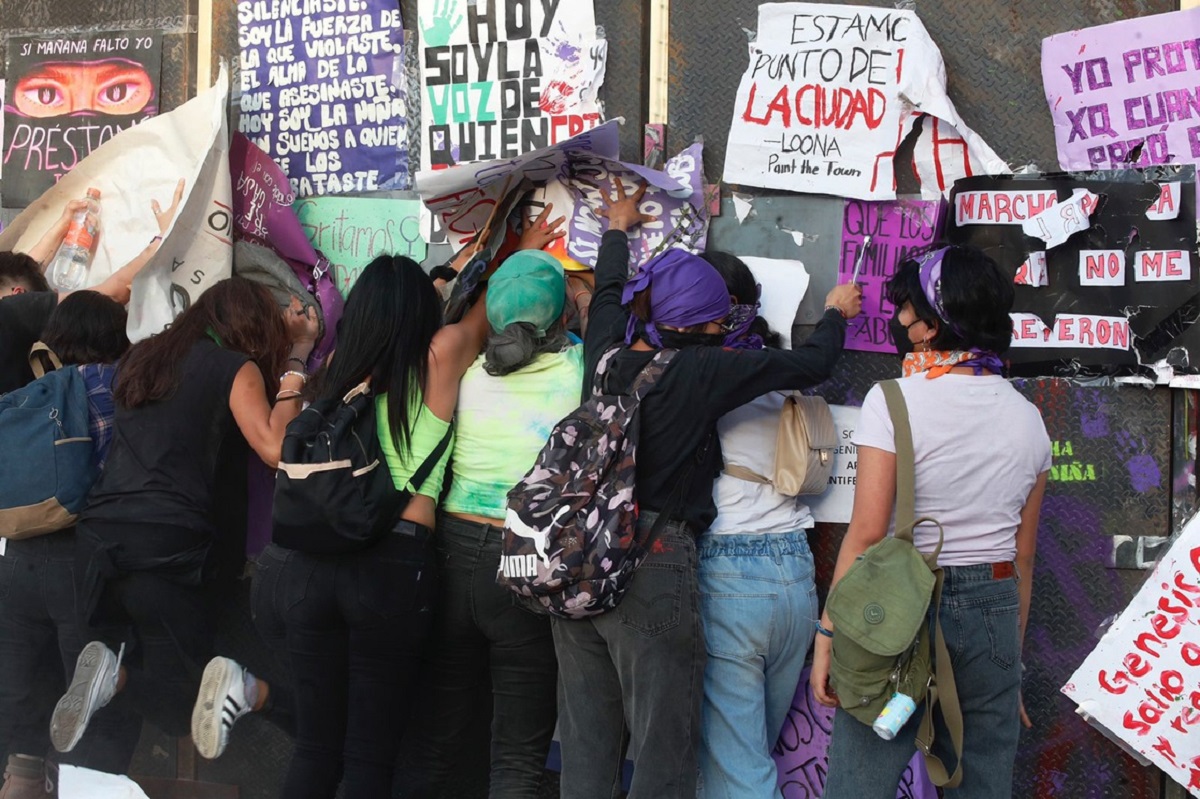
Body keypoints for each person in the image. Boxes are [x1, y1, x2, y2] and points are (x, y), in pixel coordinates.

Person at [550, 180, 861, 799]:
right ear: (699, 326)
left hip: (580, 558)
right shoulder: (701, 370)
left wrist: (618, 225)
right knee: (665, 754)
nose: (726, 327)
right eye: (718, 319)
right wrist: (834, 313)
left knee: (587, 745)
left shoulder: (608, 351)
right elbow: (810, 366)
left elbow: (607, 291)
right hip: (657, 566)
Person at [810, 245, 1050, 799]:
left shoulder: (893, 400)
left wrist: (828, 635)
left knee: (858, 786)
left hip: (900, 608)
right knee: (982, 785)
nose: (897, 320)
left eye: (906, 310)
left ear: (931, 325)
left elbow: (867, 536)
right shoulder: (1028, 417)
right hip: (994, 605)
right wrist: (1007, 664)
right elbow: (1024, 556)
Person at [46, 278, 319, 757]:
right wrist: (297, 357)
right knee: (183, 702)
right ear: (248, 329)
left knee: (161, 698)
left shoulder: (142, 356)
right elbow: (275, 447)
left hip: (100, 538)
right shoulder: (234, 366)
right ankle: (241, 687)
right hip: (169, 544)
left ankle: (114, 676)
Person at [399, 229, 578, 799]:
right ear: (560, 320)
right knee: (519, 754)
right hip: (525, 563)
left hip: (452, 554)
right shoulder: (579, 372)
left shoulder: (466, 372)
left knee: (439, 733)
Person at [693, 251, 822, 798]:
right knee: (748, 758)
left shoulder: (706, 376)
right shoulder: (782, 375)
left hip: (730, 579)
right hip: (796, 575)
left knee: (737, 774)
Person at [0, 292, 137, 798]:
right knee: (91, 701)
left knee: (19, 687)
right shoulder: (117, 386)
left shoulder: (35, 387)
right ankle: (84, 786)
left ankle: (22, 781)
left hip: (17, 557)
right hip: (83, 562)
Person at [0, 180, 185, 394]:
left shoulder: (12, 311)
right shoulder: (11, 313)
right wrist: (163, 237)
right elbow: (111, 294)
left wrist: (65, 225)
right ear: (19, 296)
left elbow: (26, 269)